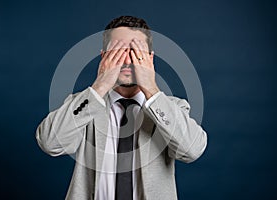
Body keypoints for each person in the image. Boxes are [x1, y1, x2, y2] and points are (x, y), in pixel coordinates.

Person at [36, 16, 207, 200]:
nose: (127, 59)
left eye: (135, 51)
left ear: (150, 58)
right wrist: (100, 86)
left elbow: (192, 150)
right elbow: (50, 143)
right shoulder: (84, 104)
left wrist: (151, 87)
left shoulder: (171, 108)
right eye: (118, 51)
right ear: (104, 57)